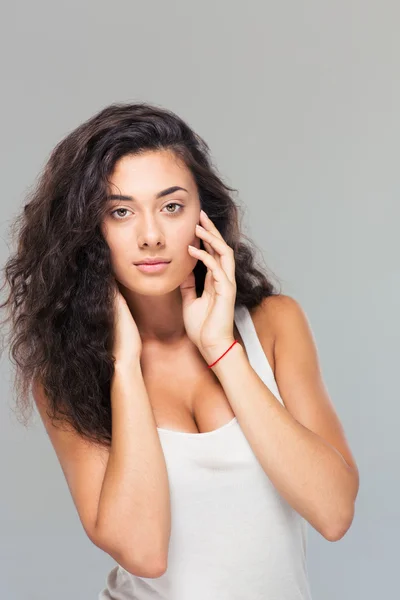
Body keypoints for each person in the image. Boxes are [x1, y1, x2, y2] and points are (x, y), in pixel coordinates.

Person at [0, 102, 359, 599]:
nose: (150, 236)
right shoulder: (65, 374)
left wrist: (221, 350)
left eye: (171, 206)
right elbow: (144, 551)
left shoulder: (275, 325)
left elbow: (334, 511)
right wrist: (124, 366)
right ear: (89, 232)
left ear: (202, 217)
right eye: (120, 212)